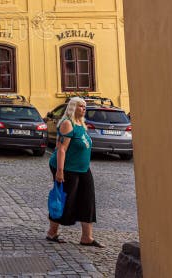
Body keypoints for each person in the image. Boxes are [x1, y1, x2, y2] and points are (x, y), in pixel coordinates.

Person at [46, 97, 102, 247]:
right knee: (64, 199)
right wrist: (59, 171)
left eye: (85, 106)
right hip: (67, 168)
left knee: (88, 200)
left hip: (83, 169)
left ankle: (86, 237)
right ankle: (52, 233)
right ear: (73, 107)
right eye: (81, 106)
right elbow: (61, 149)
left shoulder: (81, 125)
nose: (84, 109)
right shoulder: (67, 124)